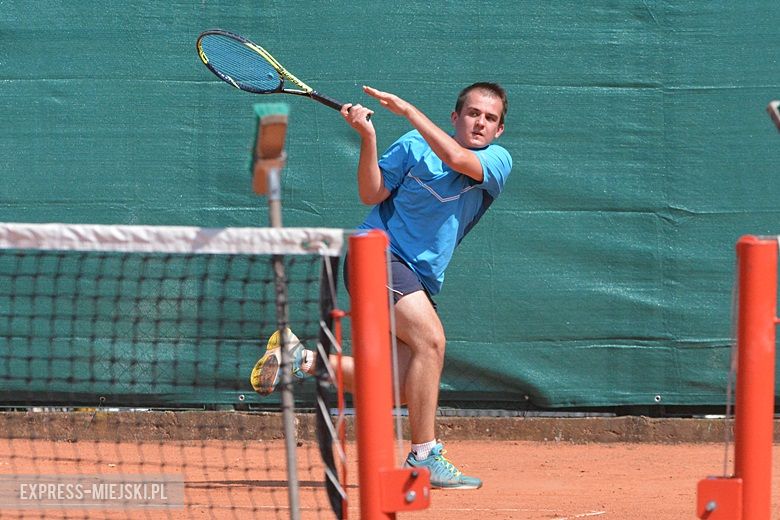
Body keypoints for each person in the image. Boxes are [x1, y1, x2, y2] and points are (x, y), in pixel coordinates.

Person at [250, 82, 512, 489]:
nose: (480, 122)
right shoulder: (412, 145)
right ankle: (424, 456)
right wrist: (368, 139)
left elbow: (456, 157)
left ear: (499, 131)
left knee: (398, 387)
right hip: (377, 256)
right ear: (455, 117)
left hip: (417, 277)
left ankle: (301, 359)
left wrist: (407, 109)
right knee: (431, 342)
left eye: (490, 118)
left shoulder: (498, 161)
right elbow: (371, 191)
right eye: (473, 113)